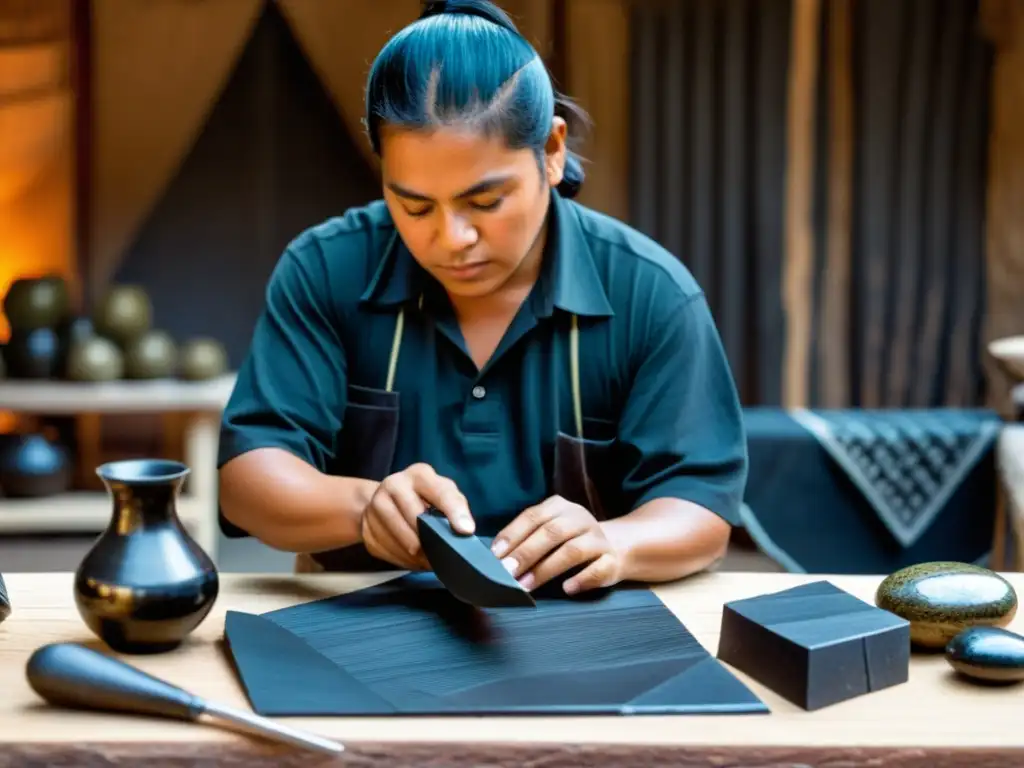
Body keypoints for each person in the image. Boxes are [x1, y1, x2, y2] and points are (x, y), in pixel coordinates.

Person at [217, 0, 747, 596]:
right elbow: (247, 479)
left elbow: (701, 506)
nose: (451, 239)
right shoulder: (326, 268)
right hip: (356, 623)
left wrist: (616, 542)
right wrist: (365, 507)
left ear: (550, 151)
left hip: (583, 630)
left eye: (485, 202)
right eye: (414, 206)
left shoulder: (650, 293)